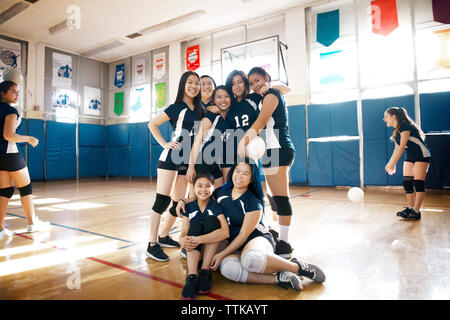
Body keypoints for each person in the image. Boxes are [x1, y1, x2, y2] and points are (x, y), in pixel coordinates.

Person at [178, 160, 325, 290]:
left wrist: (222, 254)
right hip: (231, 242)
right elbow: (200, 195)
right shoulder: (221, 192)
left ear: (251, 178)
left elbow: (243, 235)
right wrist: (182, 202)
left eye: (245, 174)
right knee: (228, 269)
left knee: (251, 260)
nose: (239, 176)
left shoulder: (253, 201)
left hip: (255, 239)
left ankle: (297, 267)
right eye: (237, 171)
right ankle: (278, 278)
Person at [237, 67, 296, 259]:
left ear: (266, 78)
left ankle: (285, 245)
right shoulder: (263, 96)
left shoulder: (271, 95)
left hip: (278, 148)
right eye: (252, 83)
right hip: (270, 151)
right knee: (272, 197)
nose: (255, 85)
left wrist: (242, 143)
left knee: (280, 197)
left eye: (258, 80)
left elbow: (261, 122)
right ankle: (279, 234)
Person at [146, 71, 203, 261]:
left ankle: (163, 236)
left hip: (187, 161)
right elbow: (152, 124)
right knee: (161, 201)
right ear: (183, 85)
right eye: (190, 82)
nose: (194, 86)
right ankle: (152, 245)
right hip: (171, 157)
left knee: (178, 203)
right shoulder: (176, 107)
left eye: (197, 83)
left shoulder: (200, 108)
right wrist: (164, 144)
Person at [0, 80, 50, 238]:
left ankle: (0, 227)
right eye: (13, 91)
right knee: (26, 189)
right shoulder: (10, 111)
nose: (17, 94)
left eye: (18, 91)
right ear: (3, 93)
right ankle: (32, 224)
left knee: (5, 191)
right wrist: (28, 138)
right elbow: (8, 135)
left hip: (0, 156)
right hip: (11, 154)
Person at [179, 172, 229, 300]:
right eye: (199, 186)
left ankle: (205, 272)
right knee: (195, 226)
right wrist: (182, 240)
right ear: (194, 188)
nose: (203, 190)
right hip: (194, 251)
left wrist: (198, 239)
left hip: (211, 251)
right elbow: (184, 233)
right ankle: (192, 276)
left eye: (208, 186)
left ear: (213, 188)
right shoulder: (189, 207)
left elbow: (225, 232)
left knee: (211, 221)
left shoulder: (215, 206)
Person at [383, 107, 431, 220]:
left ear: (394, 116)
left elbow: (401, 147)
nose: (384, 119)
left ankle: (416, 211)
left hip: (422, 155)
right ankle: (410, 208)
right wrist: (391, 163)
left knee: (418, 183)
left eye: (386, 116)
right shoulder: (396, 132)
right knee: (407, 182)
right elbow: (396, 149)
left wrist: (392, 163)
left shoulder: (405, 126)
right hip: (411, 156)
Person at [186, 85, 234, 189]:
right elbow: (197, 141)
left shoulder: (226, 121)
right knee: (196, 201)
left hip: (215, 165)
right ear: (213, 100)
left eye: (226, 96)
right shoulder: (210, 116)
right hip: (201, 163)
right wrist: (191, 167)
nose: (223, 100)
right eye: (219, 97)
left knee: (218, 197)